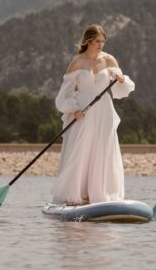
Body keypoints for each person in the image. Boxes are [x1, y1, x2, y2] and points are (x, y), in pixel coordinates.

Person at [52, 24, 135, 206]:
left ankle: (100, 194)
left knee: (103, 148)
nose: (101, 45)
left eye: (103, 41)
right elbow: (63, 95)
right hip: (83, 111)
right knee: (81, 149)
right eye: (97, 41)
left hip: (104, 110)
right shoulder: (77, 62)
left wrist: (121, 80)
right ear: (88, 41)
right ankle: (77, 195)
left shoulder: (109, 60)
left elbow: (124, 87)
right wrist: (73, 109)